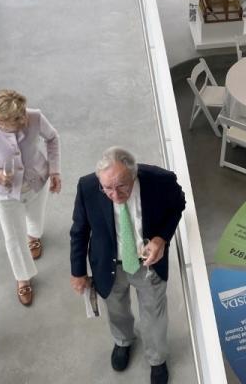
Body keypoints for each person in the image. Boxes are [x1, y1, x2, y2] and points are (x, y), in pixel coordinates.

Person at [70, 147, 186, 383]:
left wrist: (161, 238)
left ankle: (157, 359)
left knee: (153, 313)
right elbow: (79, 231)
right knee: (116, 309)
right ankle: (123, 341)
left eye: (122, 186)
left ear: (134, 175)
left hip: (148, 262)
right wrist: (78, 271)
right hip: (109, 264)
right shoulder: (88, 187)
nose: (114, 194)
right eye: (107, 188)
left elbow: (178, 204)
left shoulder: (159, 180)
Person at [0, 89, 61, 306]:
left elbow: (53, 138)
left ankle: (34, 236)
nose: (24, 119)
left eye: (23, 113)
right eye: (17, 119)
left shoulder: (34, 116)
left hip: (37, 182)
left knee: (36, 218)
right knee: (13, 237)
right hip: (5, 194)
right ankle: (23, 277)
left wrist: (55, 170)